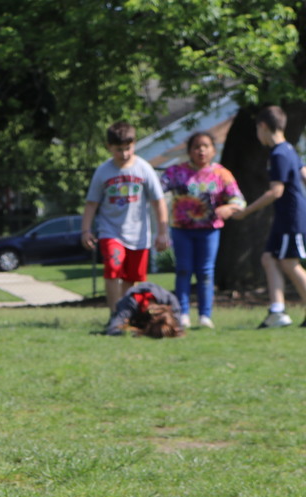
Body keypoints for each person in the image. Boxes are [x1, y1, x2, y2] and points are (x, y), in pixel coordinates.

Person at [81, 121, 169, 313]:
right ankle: (114, 315)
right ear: (109, 147)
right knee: (113, 268)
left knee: (131, 277)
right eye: (119, 150)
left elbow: (158, 201)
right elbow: (91, 203)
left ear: (134, 144)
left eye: (128, 149)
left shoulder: (144, 169)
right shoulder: (103, 171)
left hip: (138, 235)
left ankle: (126, 314)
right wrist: (86, 230)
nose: (124, 154)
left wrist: (162, 233)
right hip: (110, 230)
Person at [161, 131, 246, 329]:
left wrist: (229, 207)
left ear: (213, 150)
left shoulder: (221, 174)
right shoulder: (176, 172)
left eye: (205, 146)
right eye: (196, 146)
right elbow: (157, 189)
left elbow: (239, 199)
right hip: (182, 229)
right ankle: (182, 313)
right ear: (189, 151)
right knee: (183, 270)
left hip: (209, 230)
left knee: (206, 272)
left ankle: (205, 315)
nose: (201, 150)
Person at [231, 105, 306, 328]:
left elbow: (276, 191)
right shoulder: (289, 149)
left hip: (291, 217)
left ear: (263, 126)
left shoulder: (279, 154)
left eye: (257, 129)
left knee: (289, 262)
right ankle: (277, 312)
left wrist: (245, 211)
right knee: (269, 258)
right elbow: (303, 172)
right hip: (287, 217)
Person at [104, 281, 185, 338]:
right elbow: (112, 329)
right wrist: (138, 332)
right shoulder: (128, 304)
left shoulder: (171, 301)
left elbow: (179, 327)